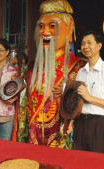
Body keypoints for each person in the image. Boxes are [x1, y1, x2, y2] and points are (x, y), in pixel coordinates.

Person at [21, 0, 85, 147]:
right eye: (41, 27)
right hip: (33, 132)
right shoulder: (31, 68)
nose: (46, 32)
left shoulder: (79, 66)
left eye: (52, 26)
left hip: (61, 131)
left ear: (70, 28)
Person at [73, 31, 104, 154]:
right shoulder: (81, 72)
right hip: (81, 124)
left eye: (90, 43)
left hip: (101, 125)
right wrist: (70, 122)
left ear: (99, 46)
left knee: (99, 163)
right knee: (79, 162)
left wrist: (90, 98)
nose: (85, 47)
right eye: (83, 43)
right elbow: (78, 101)